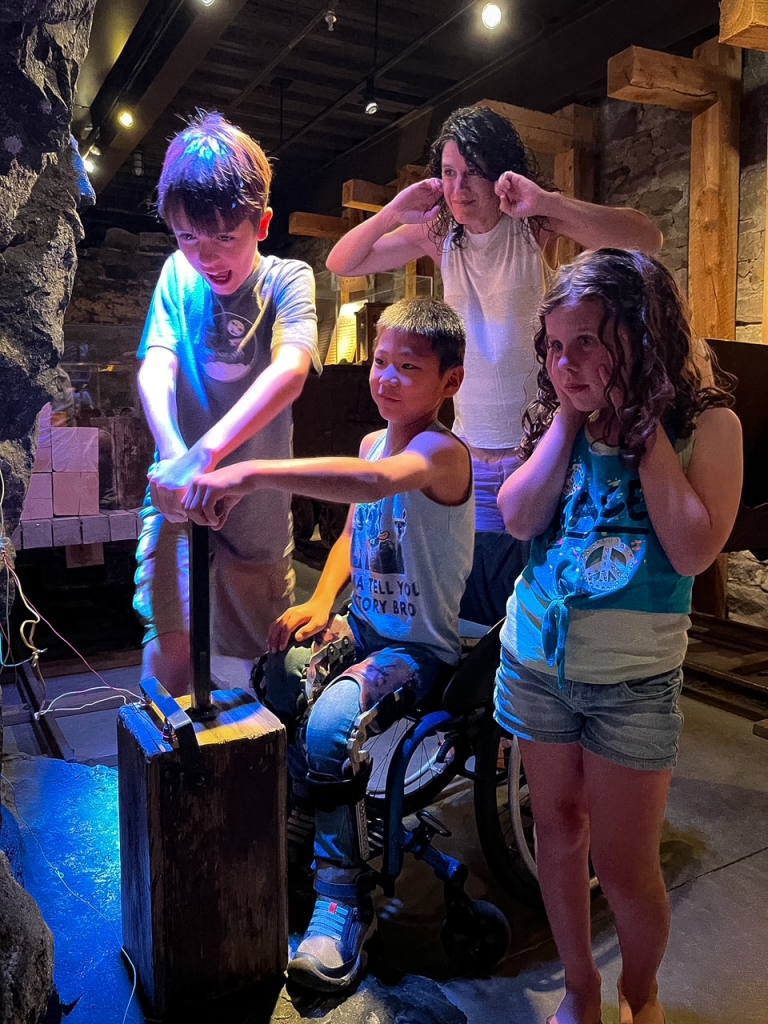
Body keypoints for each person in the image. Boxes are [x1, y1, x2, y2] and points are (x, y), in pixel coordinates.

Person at [183, 297, 474, 991]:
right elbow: (353, 528)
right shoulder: (375, 439)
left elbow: (374, 485)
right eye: (380, 362)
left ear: (450, 384)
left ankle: (344, 898)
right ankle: (300, 824)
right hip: (367, 627)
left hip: (419, 651)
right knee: (277, 675)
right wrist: (322, 599)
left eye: (410, 367)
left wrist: (251, 473)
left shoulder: (439, 451)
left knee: (333, 723)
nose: (387, 378)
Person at [493, 249, 742, 1024]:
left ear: (642, 334)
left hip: (633, 686)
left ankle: (642, 992)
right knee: (558, 829)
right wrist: (570, 419)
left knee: (627, 869)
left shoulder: (708, 425)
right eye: (557, 348)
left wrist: (641, 427)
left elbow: (695, 549)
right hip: (535, 663)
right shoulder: (558, 421)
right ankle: (581, 988)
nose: (569, 364)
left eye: (590, 344)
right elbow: (518, 516)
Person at [327, 104, 663, 625]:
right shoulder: (439, 237)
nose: (460, 188)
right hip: (470, 450)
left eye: (474, 172)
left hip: (540, 449)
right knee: (471, 594)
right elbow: (341, 262)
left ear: (501, 172)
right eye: (448, 173)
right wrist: (394, 210)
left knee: (533, 594)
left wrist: (545, 200)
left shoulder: (533, 226)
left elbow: (646, 239)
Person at [134, 111, 320, 697]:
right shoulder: (176, 275)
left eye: (223, 237)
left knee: (254, 681)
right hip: (175, 498)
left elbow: (291, 371)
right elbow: (155, 364)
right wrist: (174, 454)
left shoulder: (288, 279)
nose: (205, 255)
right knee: (169, 666)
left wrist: (206, 454)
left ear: (261, 223)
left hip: (258, 512)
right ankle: (167, 784)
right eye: (188, 237)